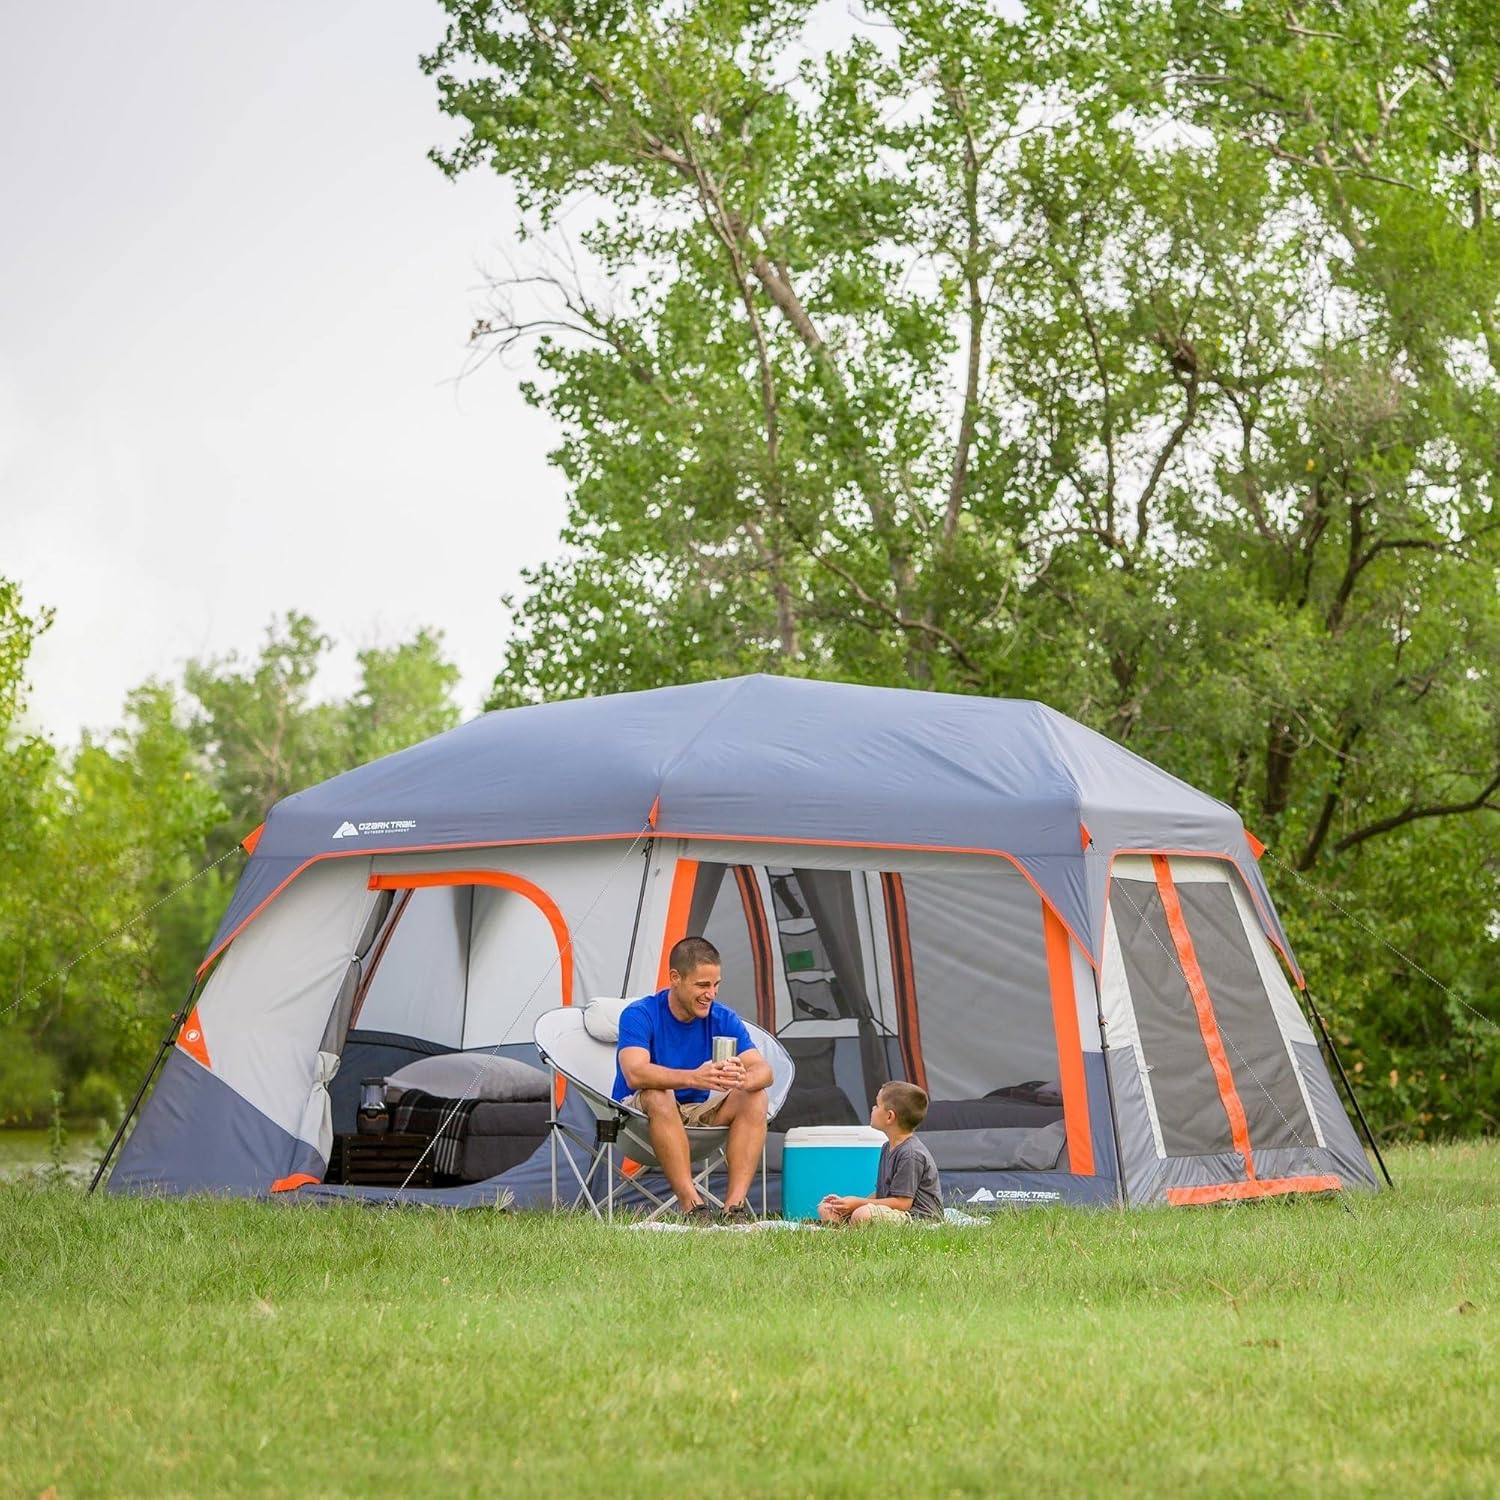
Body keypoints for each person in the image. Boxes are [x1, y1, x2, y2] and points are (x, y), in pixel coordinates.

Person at [613, 935, 772, 1221]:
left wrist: (743, 1079)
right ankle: (693, 1208)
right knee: (659, 1092)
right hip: (638, 1122)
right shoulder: (640, 1014)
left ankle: (732, 1210)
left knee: (756, 1095)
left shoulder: (722, 1017)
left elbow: (764, 1071)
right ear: (675, 978)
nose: (711, 994)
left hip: (697, 1117)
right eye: (702, 985)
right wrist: (693, 1078)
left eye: (716, 985)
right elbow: (635, 1073)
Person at [818, 1081, 942, 1225]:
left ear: (890, 1117)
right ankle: (841, 1237)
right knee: (828, 1207)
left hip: (918, 1220)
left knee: (863, 1214)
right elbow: (882, 1194)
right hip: (891, 1212)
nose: (873, 1108)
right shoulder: (887, 1147)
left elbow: (903, 1204)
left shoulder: (910, 1154)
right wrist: (846, 1204)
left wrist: (857, 1204)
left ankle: (848, 1231)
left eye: (877, 1105)